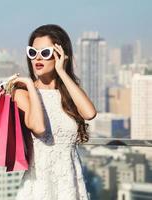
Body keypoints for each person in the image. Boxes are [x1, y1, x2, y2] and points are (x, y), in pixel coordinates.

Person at [11, 24, 97, 200]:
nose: (37, 58)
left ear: (60, 55)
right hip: (38, 186)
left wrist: (62, 71)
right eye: (33, 53)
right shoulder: (23, 92)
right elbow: (39, 127)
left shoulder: (70, 92)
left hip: (71, 184)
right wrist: (30, 86)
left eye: (45, 53)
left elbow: (89, 113)